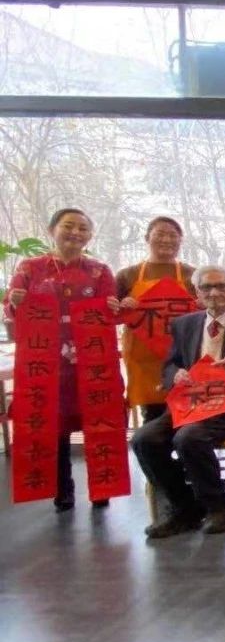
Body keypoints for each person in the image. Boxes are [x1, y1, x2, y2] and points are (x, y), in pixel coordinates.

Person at [131, 265, 225, 537]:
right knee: (144, 439)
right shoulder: (184, 324)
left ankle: (217, 507)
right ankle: (184, 507)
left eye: (222, 286)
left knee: (189, 437)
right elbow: (171, 363)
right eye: (207, 287)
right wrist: (175, 375)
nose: (214, 293)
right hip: (191, 401)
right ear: (197, 293)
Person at [3, 208, 118, 511]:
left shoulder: (99, 271)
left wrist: (116, 306)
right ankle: (63, 489)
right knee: (54, 426)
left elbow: (111, 313)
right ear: (52, 229)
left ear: (90, 236)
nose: (75, 233)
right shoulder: (30, 268)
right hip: (46, 365)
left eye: (83, 228)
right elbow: (12, 312)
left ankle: (102, 487)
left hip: (91, 362)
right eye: (69, 226)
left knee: (99, 421)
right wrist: (14, 302)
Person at [114, 216, 198, 422]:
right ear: (147, 238)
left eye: (173, 235)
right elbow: (111, 315)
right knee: (152, 416)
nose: (166, 240)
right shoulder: (128, 275)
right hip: (145, 358)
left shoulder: (193, 275)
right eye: (160, 234)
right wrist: (123, 305)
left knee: (187, 413)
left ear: (180, 240)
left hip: (184, 356)